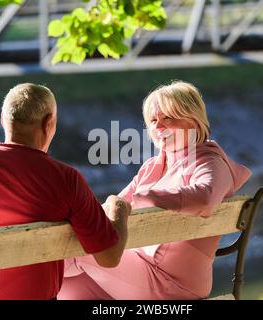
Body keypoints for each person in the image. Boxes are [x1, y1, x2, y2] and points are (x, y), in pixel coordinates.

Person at [0, 83, 131, 300]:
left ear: (2, 119)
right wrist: (119, 207)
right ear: (49, 123)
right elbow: (109, 257)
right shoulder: (66, 179)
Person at [57, 80, 252, 300]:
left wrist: (146, 198)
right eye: (153, 121)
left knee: (69, 253)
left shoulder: (209, 162)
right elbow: (113, 206)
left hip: (172, 284)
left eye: (168, 118)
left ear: (195, 121)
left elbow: (205, 199)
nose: (159, 128)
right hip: (140, 270)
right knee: (66, 285)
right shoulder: (153, 166)